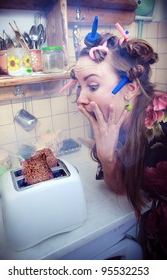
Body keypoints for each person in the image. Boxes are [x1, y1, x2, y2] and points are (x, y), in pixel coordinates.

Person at [60, 19, 167, 259]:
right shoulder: (109, 122)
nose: (80, 100)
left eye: (93, 85)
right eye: (79, 87)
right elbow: (119, 188)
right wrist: (107, 157)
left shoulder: (163, 125)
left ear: (130, 89)